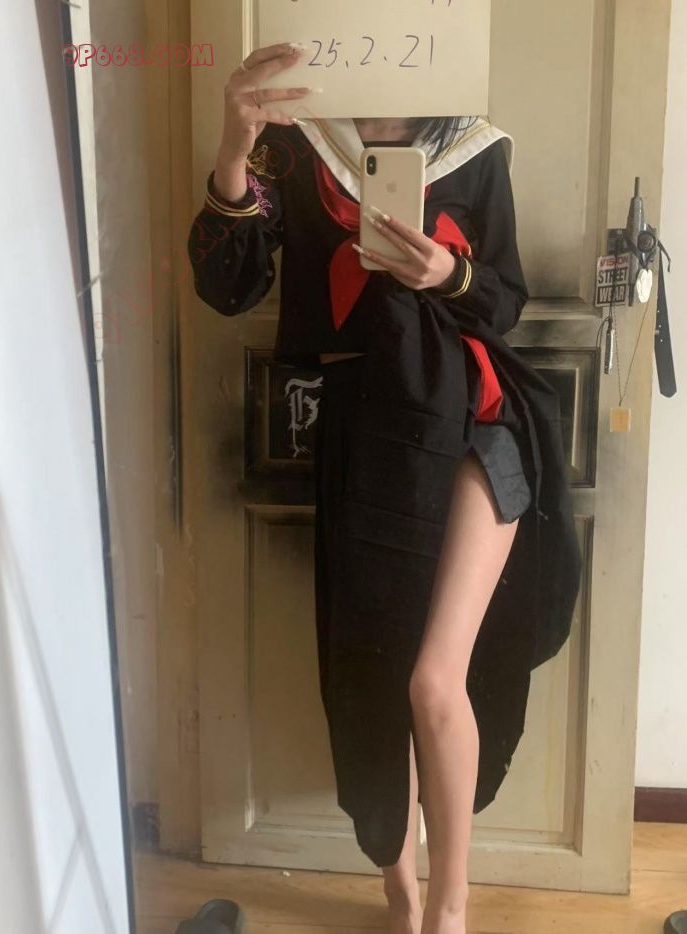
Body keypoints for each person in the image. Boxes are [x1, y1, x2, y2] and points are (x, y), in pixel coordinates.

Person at [187, 42, 582, 934]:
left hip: (477, 411)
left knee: (437, 680)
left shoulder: (473, 145)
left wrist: (446, 275)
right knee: (374, 674)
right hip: (368, 430)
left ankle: (449, 908)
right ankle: (399, 894)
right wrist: (234, 148)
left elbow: (506, 298)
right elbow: (227, 283)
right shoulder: (297, 143)